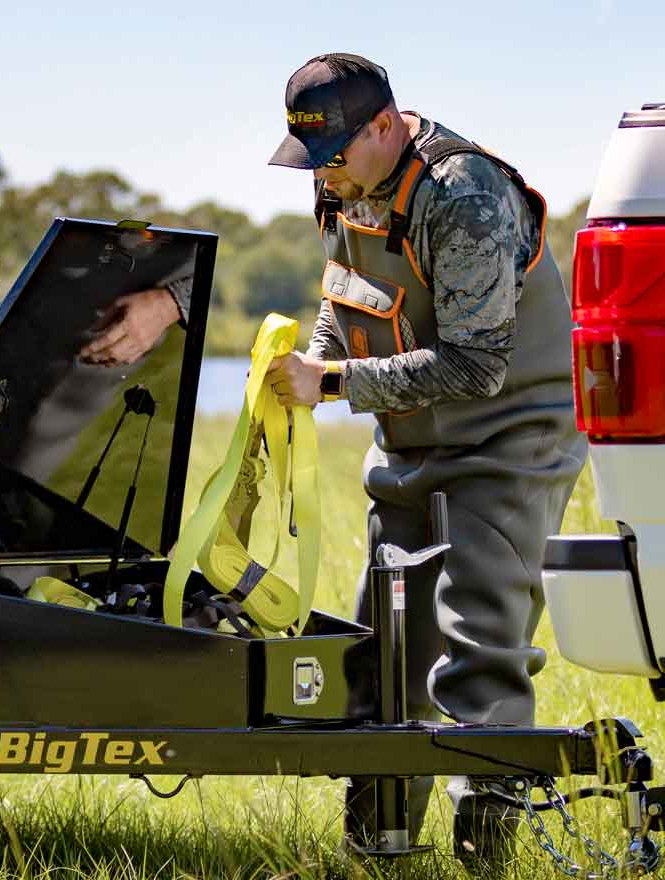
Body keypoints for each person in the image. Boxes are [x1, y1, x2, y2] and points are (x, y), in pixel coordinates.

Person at [261, 53, 587, 865]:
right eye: (313, 160)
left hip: (509, 437)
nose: (325, 175)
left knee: (477, 646)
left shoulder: (463, 196)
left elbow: (477, 367)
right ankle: (379, 849)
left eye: (336, 155)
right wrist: (311, 363)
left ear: (384, 127)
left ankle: (487, 856)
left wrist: (330, 382)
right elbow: (347, 301)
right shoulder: (343, 184)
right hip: (412, 440)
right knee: (386, 649)